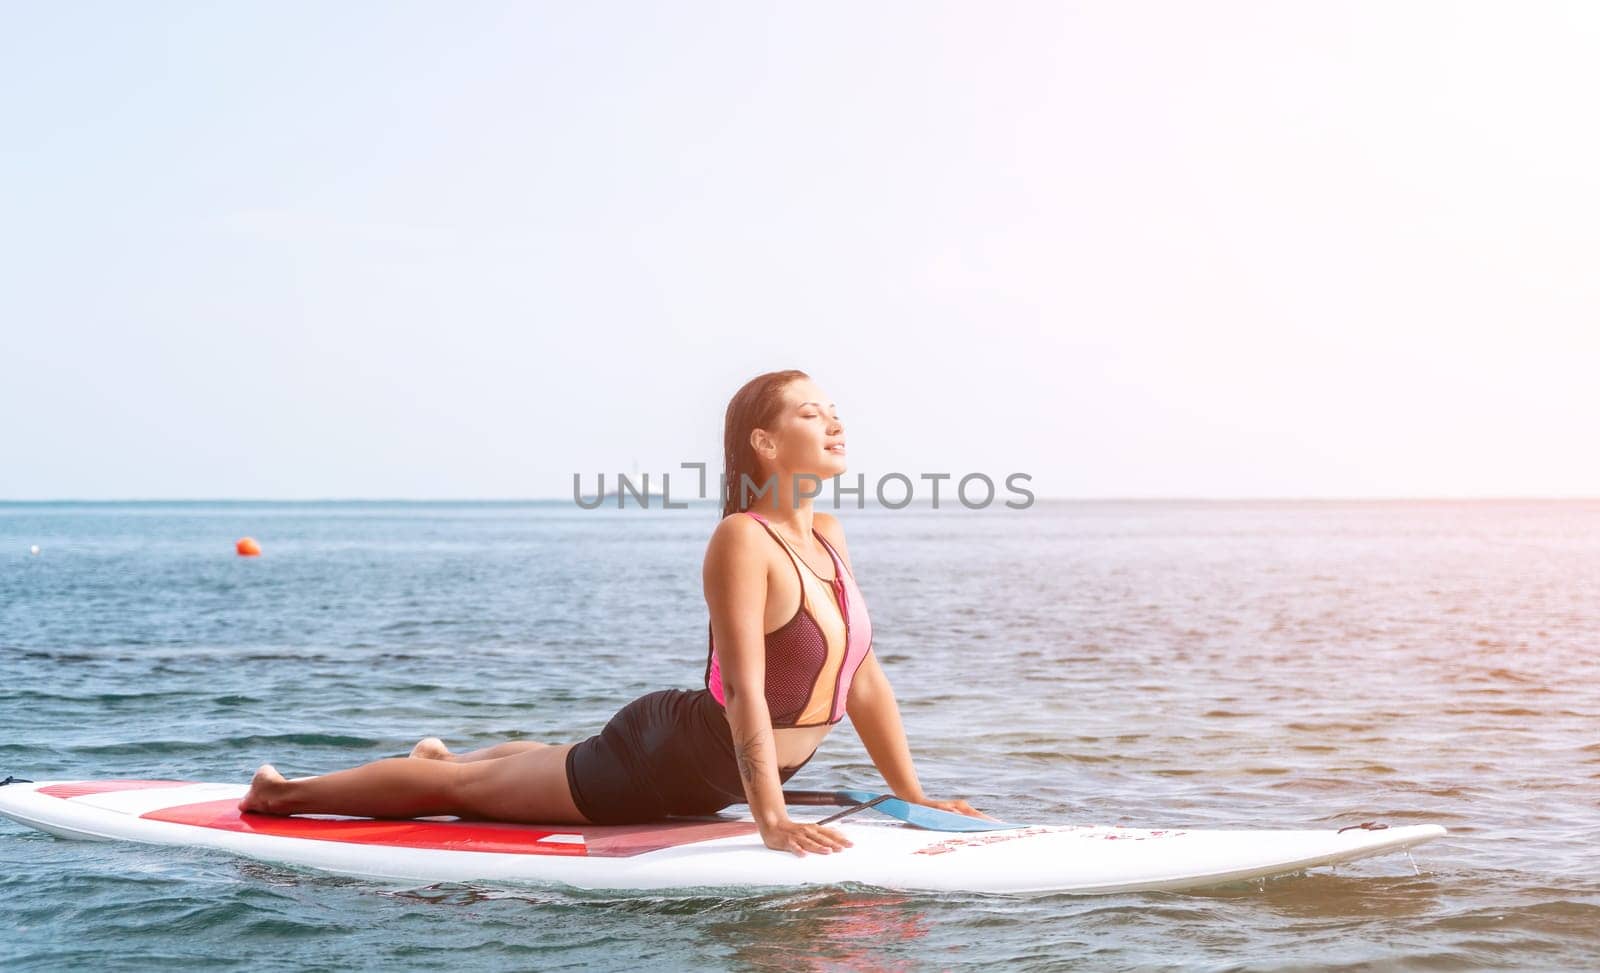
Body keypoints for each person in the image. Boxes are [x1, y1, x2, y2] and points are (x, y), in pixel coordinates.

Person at [238, 369, 988, 856]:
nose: (834, 422)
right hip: (662, 762)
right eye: (810, 412)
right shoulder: (742, 539)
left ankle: (441, 753)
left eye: (834, 410)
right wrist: (770, 817)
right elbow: (748, 691)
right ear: (765, 442)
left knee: (544, 763)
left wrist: (911, 795)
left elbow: (860, 680)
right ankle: (283, 792)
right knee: (461, 797)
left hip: (701, 767)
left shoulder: (825, 533)